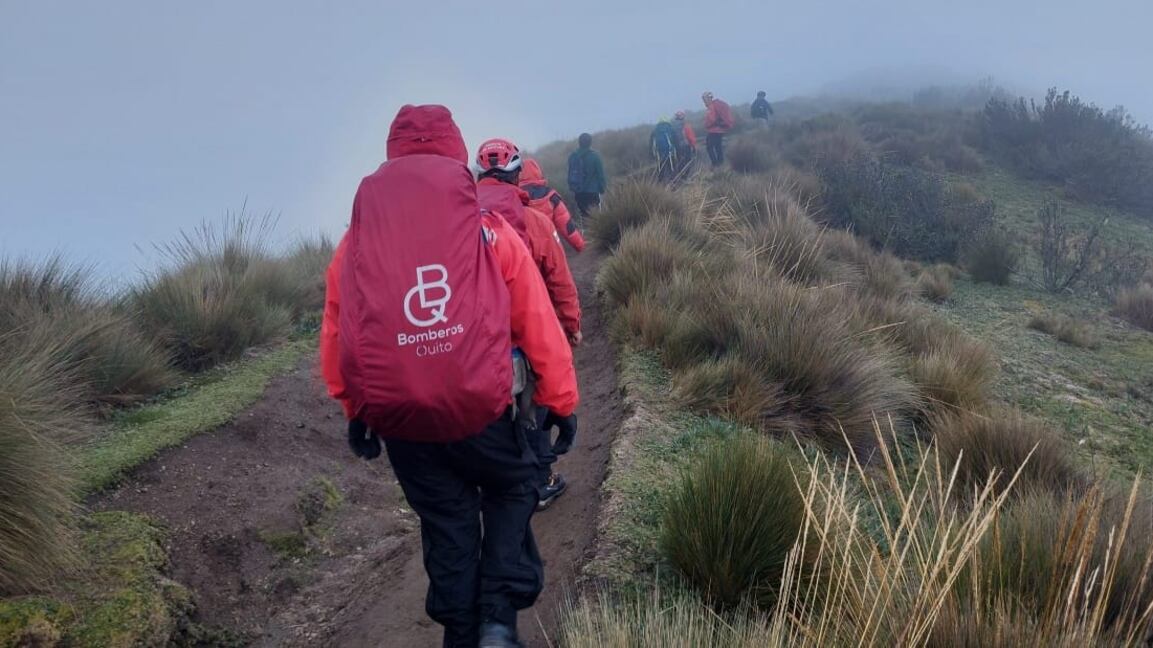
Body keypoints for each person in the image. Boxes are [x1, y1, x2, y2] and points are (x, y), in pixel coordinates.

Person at [320, 104, 579, 648]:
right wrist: (560, 400)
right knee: (514, 488)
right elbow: (534, 317)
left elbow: (339, 331)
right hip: (487, 412)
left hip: (404, 425)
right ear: (457, 153)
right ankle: (497, 623)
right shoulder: (489, 231)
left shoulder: (355, 245)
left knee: (446, 521)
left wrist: (356, 409)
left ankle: (461, 634)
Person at [476, 138, 582, 511]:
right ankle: (541, 481)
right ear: (517, 175)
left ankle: (494, 485)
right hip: (525, 334)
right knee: (533, 409)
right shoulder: (534, 221)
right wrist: (571, 325)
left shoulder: (459, 222)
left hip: (473, 344)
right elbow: (559, 280)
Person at [518, 157, 586, 253]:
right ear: (538, 172)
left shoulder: (514, 198)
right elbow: (567, 226)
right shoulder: (551, 196)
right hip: (549, 249)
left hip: (525, 250)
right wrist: (580, 246)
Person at [566, 133, 606, 224]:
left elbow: (570, 173)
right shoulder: (595, 156)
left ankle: (584, 236)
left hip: (578, 192)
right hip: (592, 192)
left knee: (583, 217)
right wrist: (602, 189)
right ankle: (593, 236)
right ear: (590, 143)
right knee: (594, 219)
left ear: (579, 142)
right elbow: (601, 176)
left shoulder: (573, 156)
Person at [702, 91, 734, 167]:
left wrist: (706, 125)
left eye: (704, 98)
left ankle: (715, 163)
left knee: (709, 147)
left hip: (713, 130)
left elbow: (712, 119)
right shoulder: (717, 105)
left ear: (708, 98)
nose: (704, 101)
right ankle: (720, 163)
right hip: (720, 130)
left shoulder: (711, 107)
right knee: (718, 146)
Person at [650, 117, 681, 184]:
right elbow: (676, 141)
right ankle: (674, 183)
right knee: (671, 168)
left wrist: (652, 154)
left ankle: (661, 184)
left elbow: (651, 144)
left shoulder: (655, 131)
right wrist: (678, 152)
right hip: (670, 153)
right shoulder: (670, 129)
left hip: (659, 154)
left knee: (661, 169)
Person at [674, 111, 697, 176]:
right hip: (686, 146)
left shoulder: (672, 126)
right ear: (683, 117)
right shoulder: (685, 125)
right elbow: (690, 137)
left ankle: (677, 175)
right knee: (688, 162)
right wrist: (694, 146)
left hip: (677, 147)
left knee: (680, 162)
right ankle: (685, 176)